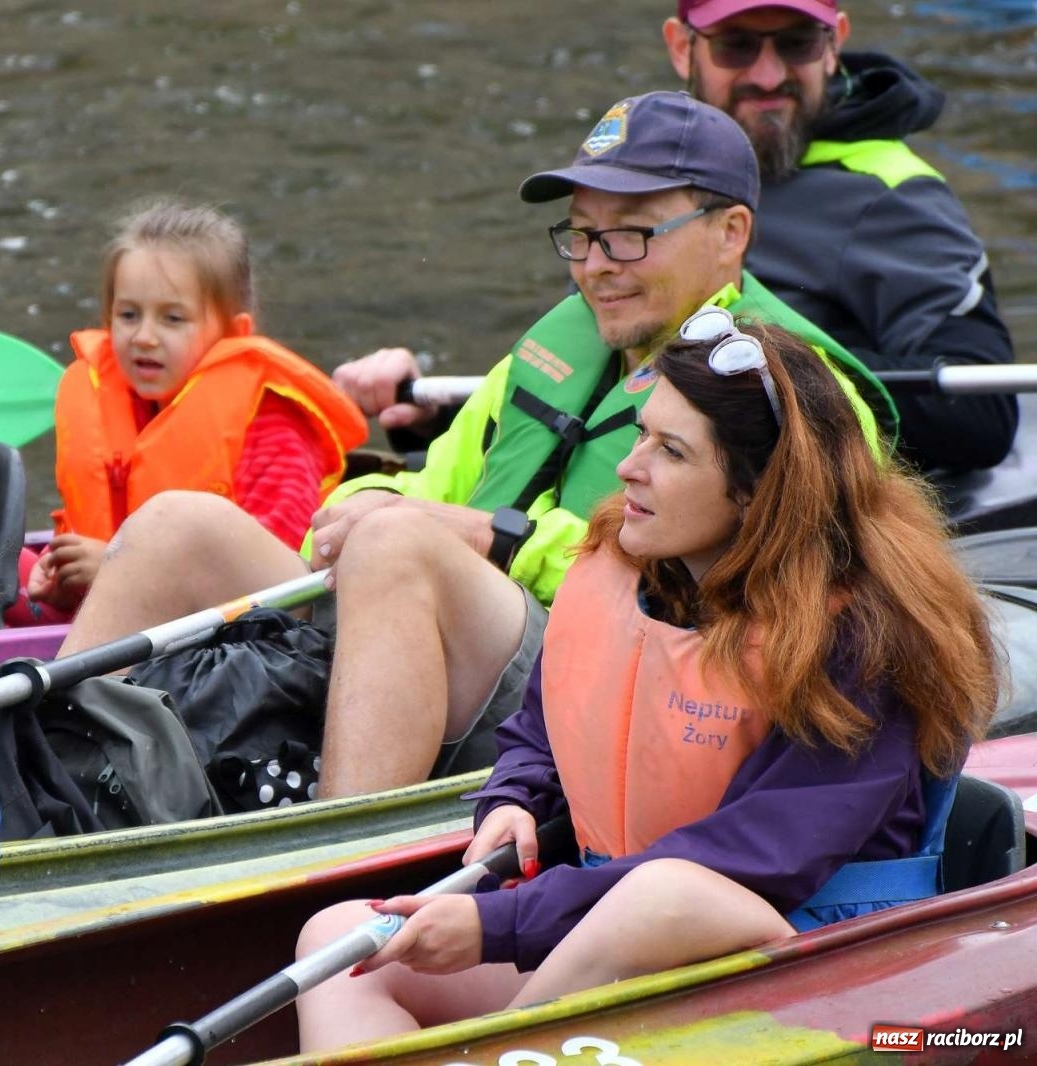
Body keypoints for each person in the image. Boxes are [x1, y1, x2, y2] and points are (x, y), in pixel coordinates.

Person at [53, 91, 890, 798]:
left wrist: (498, 540)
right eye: (582, 235)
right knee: (177, 525)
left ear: (731, 232)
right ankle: (39, 775)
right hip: (460, 632)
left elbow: (770, 596)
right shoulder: (565, 344)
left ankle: (330, 857)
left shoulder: (793, 388)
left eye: (631, 234)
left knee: (400, 548)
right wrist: (365, 502)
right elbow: (432, 481)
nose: (597, 265)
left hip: (626, 688)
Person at [292, 319, 998, 1050]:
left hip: (814, 960)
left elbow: (748, 862)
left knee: (667, 896)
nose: (629, 468)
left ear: (756, 493)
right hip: (615, 925)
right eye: (640, 435)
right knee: (337, 940)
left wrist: (498, 924)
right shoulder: (625, 566)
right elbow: (544, 720)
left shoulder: (864, 643)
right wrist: (517, 794)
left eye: (671, 452)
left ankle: (501, 1047)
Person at [661, 0, 1017, 474]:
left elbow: (982, 412)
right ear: (683, 48)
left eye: (797, 44)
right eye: (737, 46)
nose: (768, 75)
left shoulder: (889, 195)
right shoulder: (644, 175)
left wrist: (779, 368)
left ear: (834, 46)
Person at [15, 198, 368, 620]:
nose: (144, 336)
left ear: (232, 333)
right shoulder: (119, 403)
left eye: (172, 319)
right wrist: (63, 579)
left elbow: (281, 586)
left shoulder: (272, 422)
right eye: (128, 315)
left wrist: (115, 567)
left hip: (237, 641)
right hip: (119, 613)